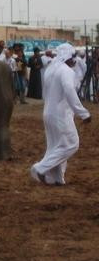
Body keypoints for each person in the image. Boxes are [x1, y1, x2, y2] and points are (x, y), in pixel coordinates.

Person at [30, 43, 91, 186]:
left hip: (49, 112)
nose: (75, 59)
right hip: (60, 114)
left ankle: (56, 178)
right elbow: (70, 91)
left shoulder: (51, 69)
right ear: (68, 56)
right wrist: (83, 113)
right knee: (71, 144)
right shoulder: (66, 71)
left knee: (56, 146)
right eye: (73, 56)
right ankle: (40, 168)